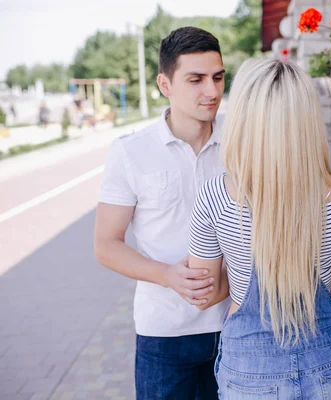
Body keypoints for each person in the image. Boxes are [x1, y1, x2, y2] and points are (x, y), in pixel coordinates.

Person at [188, 58, 331, 399]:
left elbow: (205, 294)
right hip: (326, 365)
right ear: (308, 121)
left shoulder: (215, 198)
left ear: (243, 120)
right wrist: (329, 266)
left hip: (249, 371)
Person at [94, 27, 229, 399]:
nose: (212, 91)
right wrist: (167, 275)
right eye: (196, 79)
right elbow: (106, 244)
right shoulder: (130, 151)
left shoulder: (243, 142)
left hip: (238, 325)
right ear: (165, 84)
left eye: (218, 77)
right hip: (164, 335)